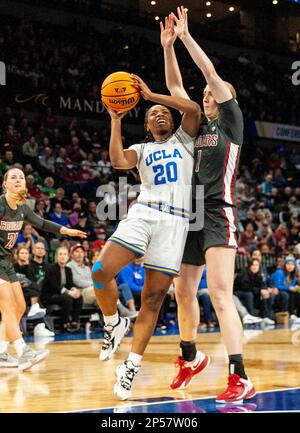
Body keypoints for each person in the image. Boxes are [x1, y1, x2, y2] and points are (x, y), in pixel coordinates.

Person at [161, 7, 255, 403]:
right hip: (191, 215)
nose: (205, 96)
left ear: (225, 97)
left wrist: (185, 38)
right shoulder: (197, 124)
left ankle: (240, 375)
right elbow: (177, 89)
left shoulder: (230, 122)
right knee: (182, 292)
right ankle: (190, 356)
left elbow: (209, 74)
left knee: (219, 294)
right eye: (204, 96)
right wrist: (167, 48)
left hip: (218, 211)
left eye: (212, 94)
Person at [91, 75, 200, 400]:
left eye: (163, 112)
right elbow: (117, 161)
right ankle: (113, 323)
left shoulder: (185, 139)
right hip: (144, 213)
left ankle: (131, 367)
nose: (160, 115)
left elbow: (192, 108)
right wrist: (114, 121)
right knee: (100, 271)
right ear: (148, 127)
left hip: (176, 222)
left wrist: (153, 95)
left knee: (152, 301)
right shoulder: (142, 148)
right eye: (152, 114)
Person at [0, 167, 86, 370]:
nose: (18, 179)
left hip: (5, 261)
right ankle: (23, 351)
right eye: (13, 177)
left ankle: (2, 352)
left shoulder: (22, 208)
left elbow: (43, 223)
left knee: (20, 306)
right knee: (8, 307)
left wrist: (66, 230)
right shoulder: (1, 204)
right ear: (5, 184)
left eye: (21, 176)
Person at [41, 246, 84, 332]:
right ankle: (65, 323)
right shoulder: (50, 268)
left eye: (65, 254)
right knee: (67, 298)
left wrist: (74, 290)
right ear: (57, 256)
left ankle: (75, 322)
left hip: (62, 294)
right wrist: (68, 292)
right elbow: (53, 285)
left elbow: (70, 284)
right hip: (50, 295)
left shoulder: (68, 269)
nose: (63, 256)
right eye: (60, 254)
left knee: (79, 297)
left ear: (68, 256)